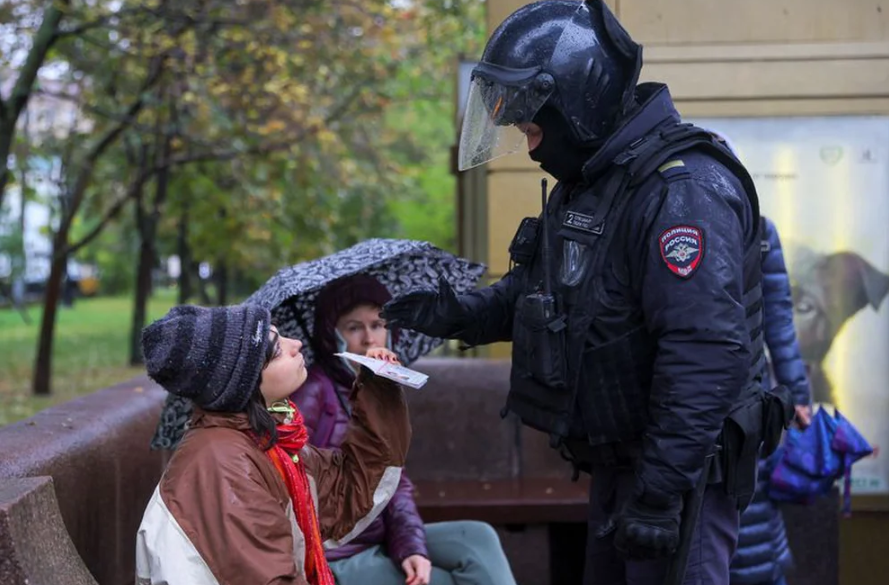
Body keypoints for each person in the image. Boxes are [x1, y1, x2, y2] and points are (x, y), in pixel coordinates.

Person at [383, 2, 792, 584]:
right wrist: (459, 315)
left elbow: (706, 351)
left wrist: (659, 491)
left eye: (533, 128)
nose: (530, 148)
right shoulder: (596, 184)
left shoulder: (682, 189)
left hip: (683, 472)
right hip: (622, 459)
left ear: (575, 103)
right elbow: (539, 294)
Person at [135, 303, 410, 585]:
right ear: (243, 383)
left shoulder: (267, 440)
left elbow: (348, 492)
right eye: (276, 350)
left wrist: (379, 386)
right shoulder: (225, 465)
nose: (297, 344)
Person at [293, 273, 517, 585]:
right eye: (354, 327)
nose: (369, 339)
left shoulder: (382, 388)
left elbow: (393, 483)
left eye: (377, 324)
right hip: (339, 553)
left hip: (378, 536)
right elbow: (295, 475)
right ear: (331, 335)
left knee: (477, 537)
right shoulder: (313, 391)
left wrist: (411, 547)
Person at [706, 131, 812, 585]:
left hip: (716, 396)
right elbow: (780, 322)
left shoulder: (685, 228)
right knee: (754, 513)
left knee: (742, 517)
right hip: (753, 395)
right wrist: (796, 392)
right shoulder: (760, 230)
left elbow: (780, 321)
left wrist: (797, 392)